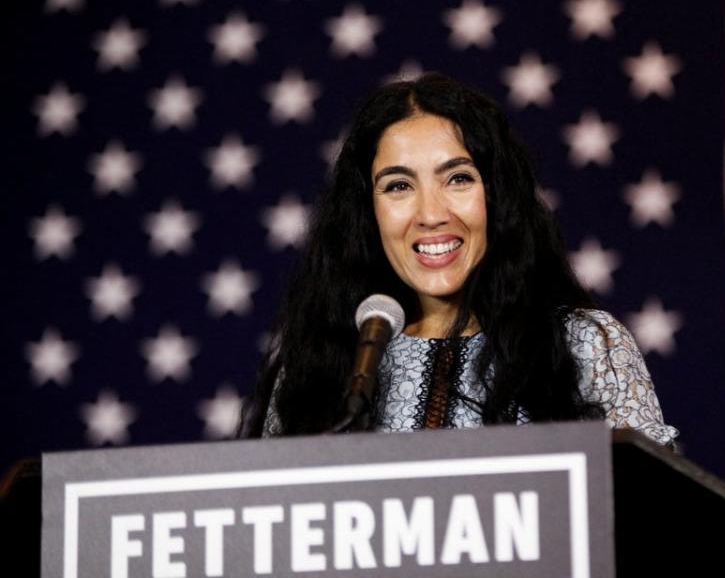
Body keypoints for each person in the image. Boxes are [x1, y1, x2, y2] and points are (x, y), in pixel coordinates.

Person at [240, 72, 677, 446]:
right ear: (367, 213)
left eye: (458, 179)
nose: (431, 214)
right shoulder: (320, 368)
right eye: (398, 186)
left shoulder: (585, 346)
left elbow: (653, 532)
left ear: (496, 197)